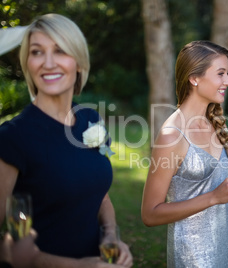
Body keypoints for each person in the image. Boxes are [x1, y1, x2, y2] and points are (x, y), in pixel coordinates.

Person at [0, 14, 133, 267]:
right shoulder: (13, 138)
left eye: (60, 51)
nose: (48, 63)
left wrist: (111, 235)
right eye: (37, 52)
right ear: (27, 63)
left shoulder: (90, 119)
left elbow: (101, 196)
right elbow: (7, 247)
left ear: (79, 63)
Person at [141, 40, 228, 267]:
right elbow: (150, 214)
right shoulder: (172, 135)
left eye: (227, 74)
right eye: (221, 74)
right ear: (194, 78)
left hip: (226, 250)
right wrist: (213, 197)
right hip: (193, 257)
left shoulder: (214, 123)